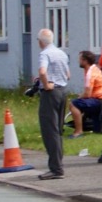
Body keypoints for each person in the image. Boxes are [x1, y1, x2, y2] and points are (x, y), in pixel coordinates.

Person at [35, 28, 71, 180]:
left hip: (50, 93)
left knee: (50, 131)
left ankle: (56, 168)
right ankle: (58, 165)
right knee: (58, 130)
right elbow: (68, 75)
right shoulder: (61, 53)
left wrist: (45, 83)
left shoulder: (45, 54)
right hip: (62, 91)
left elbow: (42, 71)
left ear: (40, 42)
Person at [67, 50, 102, 138]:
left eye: (80, 59)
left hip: (100, 100)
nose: (79, 61)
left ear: (85, 61)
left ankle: (78, 131)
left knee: (73, 104)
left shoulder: (90, 72)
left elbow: (87, 94)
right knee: (97, 130)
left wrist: (80, 97)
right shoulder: (94, 69)